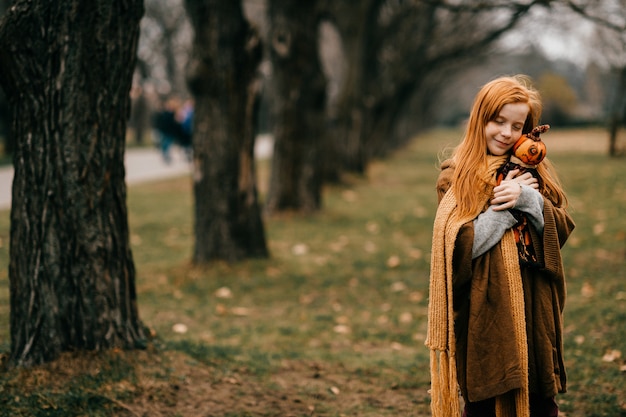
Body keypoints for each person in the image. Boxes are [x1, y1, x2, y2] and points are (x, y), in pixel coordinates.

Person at [426, 75, 575, 417]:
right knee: (484, 404)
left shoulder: (534, 173)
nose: (506, 133)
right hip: (485, 310)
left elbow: (559, 232)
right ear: (480, 119)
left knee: (541, 403)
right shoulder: (455, 177)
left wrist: (530, 201)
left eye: (516, 125)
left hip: (535, 305)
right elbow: (458, 251)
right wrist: (505, 211)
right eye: (498, 121)